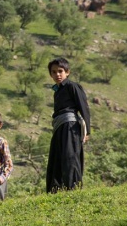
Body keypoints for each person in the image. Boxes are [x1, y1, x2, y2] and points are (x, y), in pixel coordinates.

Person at [46, 57, 90, 193]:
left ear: (67, 72)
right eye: (54, 72)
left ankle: (73, 190)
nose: (57, 75)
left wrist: (87, 131)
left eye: (60, 71)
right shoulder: (57, 91)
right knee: (56, 159)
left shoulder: (72, 86)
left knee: (70, 157)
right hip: (59, 127)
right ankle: (55, 191)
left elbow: (84, 108)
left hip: (70, 126)